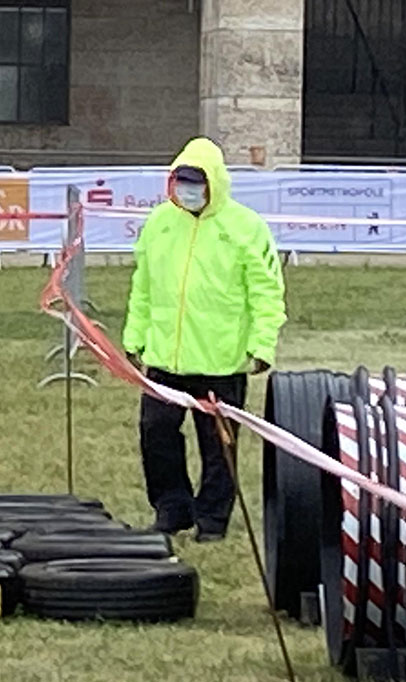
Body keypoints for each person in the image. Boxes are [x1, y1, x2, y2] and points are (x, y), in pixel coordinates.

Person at [122, 136, 287, 542]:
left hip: (222, 361)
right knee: (155, 434)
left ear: (214, 183)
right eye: (181, 182)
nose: (188, 190)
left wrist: (262, 346)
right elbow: (143, 286)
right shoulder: (159, 223)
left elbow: (267, 292)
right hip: (164, 360)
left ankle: (212, 521)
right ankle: (171, 509)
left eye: (196, 182)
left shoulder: (246, 227)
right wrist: (134, 337)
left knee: (219, 449)